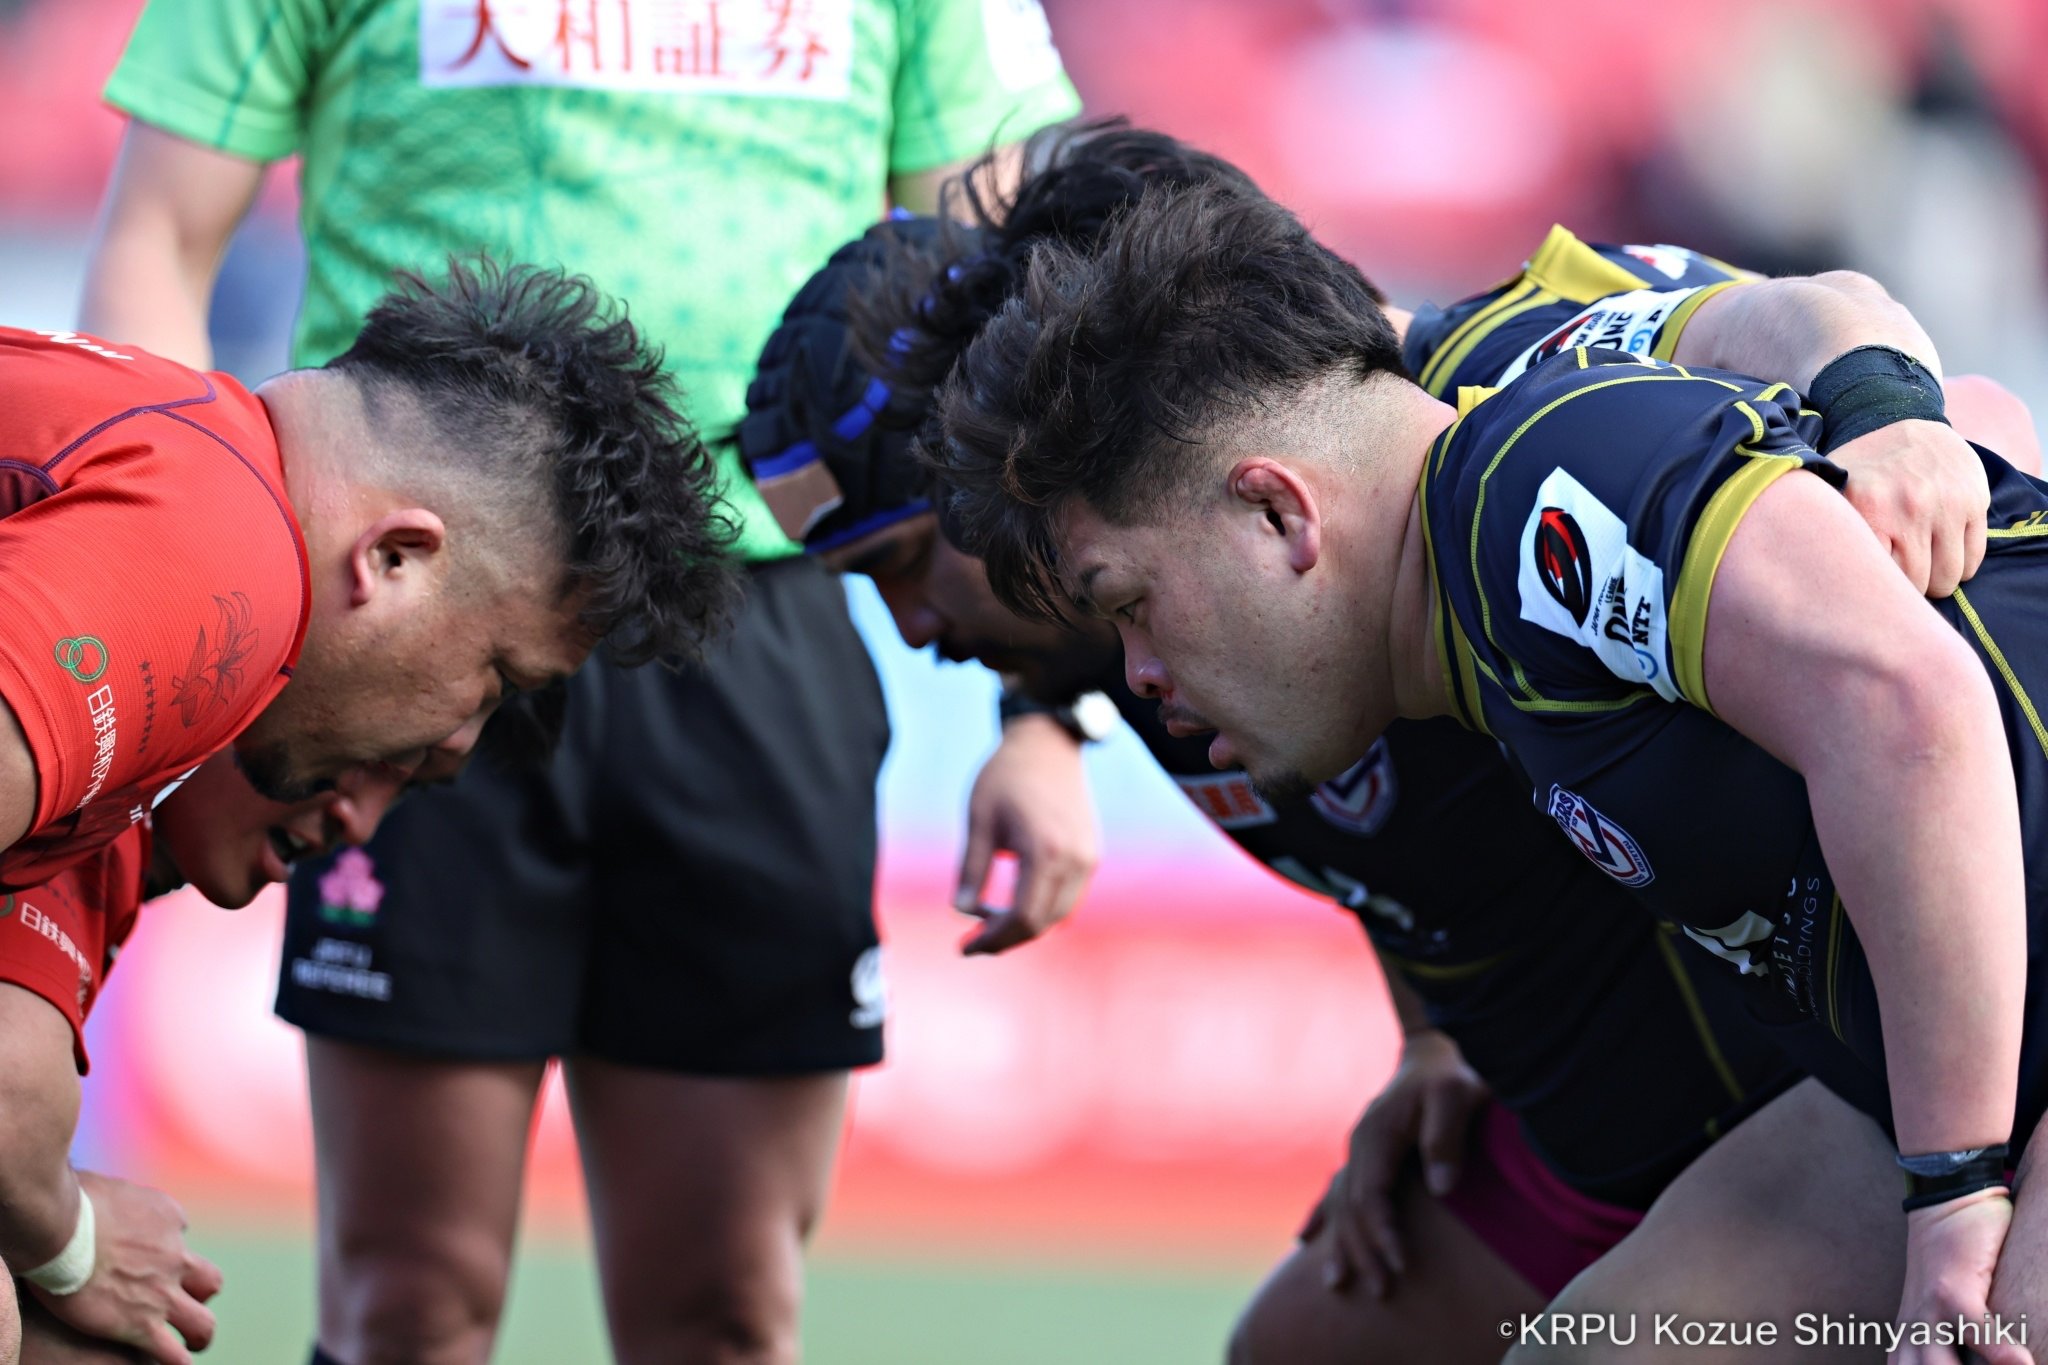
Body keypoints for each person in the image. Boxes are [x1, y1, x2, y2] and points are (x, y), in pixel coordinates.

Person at [742, 122, 2036, 1363]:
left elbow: (1903, 613)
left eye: (907, 559)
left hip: (1858, 1062)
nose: (911, 627)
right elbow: (1378, 824)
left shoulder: (1486, 446)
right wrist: (1430, 1036)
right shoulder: (1207, 626)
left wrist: (1894, 418)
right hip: (1739, 1090)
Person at [83, 4, 1083, 1362]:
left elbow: (997, 306)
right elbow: (156, 239)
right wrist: (195, 620)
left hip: (758, 621)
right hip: (409, 612)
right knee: (406, 1304)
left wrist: (1044, 702)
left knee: (726, 1313)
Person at [0, 256, 730, 896]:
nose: (457, 741)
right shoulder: (226, 552)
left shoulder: (194, 458)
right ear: (394, 557)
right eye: (499, 678)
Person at [2, 754, 409, 1365]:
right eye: (357, 763)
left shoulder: (119, 837)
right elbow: (10, 1112)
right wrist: (77, 1246)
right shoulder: (83, 796)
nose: (360, 824)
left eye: (408, 788)